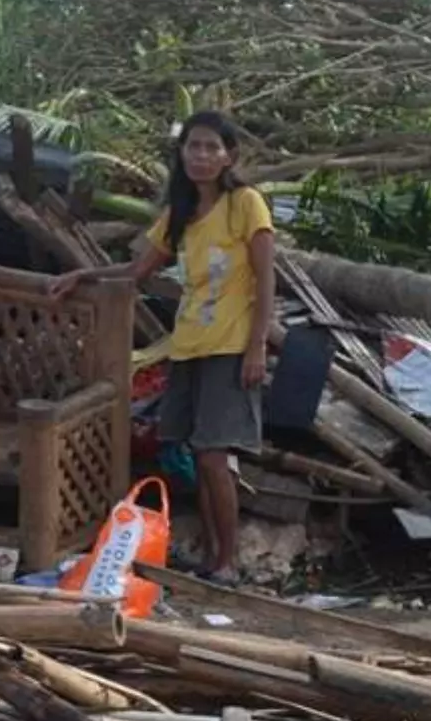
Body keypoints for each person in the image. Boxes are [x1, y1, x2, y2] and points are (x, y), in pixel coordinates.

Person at [49, 111, 276, 585]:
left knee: (215, 455)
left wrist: (257, 347)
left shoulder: (245, 204)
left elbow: (266, 277)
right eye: (193, 146)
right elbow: (136, 272)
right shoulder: (180, 214)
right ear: (182, 153)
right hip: (188, 345)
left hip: (230, 345)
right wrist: (83, 275)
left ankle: (227, 561)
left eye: (212, 147)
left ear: (229, 155)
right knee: (196, 453)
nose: (201, 156)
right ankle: (213, 556)